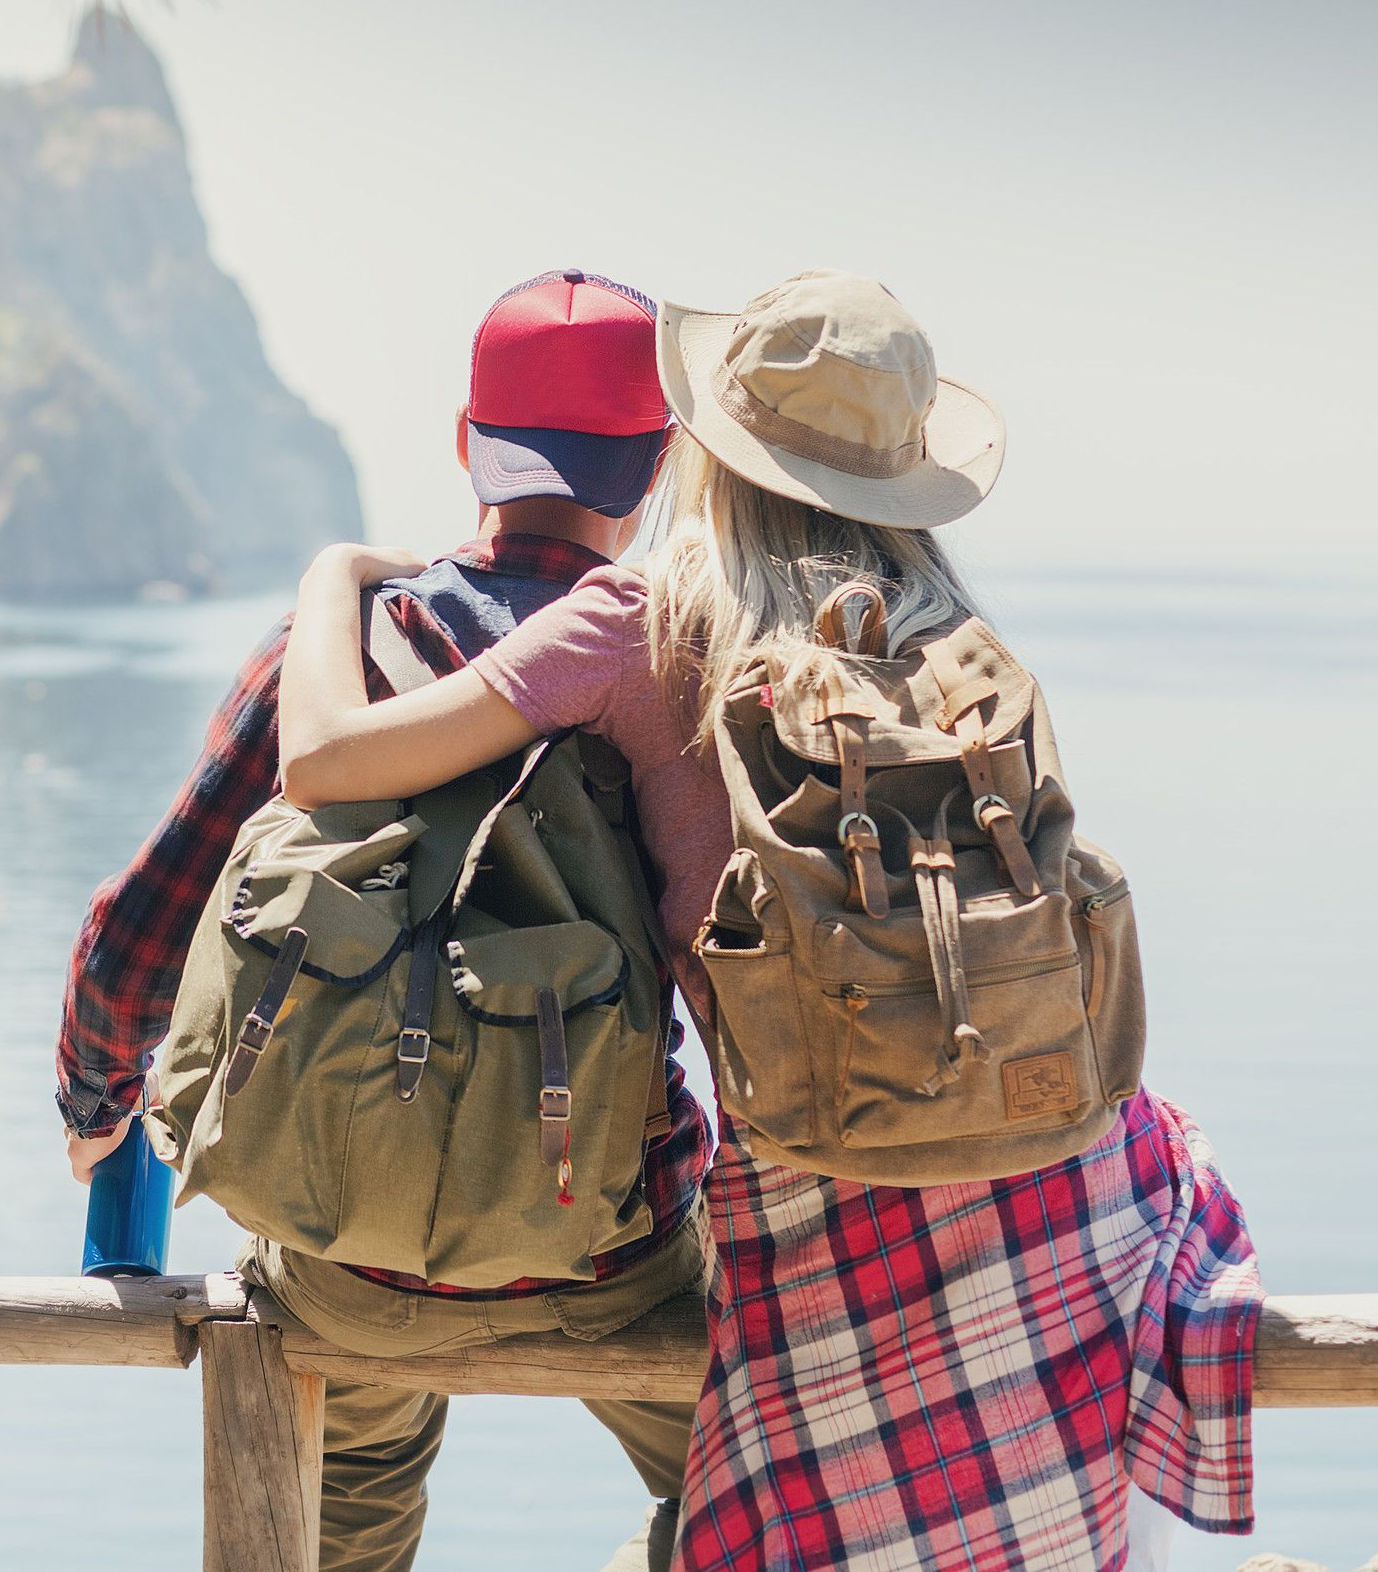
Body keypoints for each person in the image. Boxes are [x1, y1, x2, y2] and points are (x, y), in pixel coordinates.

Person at [275, 269, 1262, 1572]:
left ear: (715, 457)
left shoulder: (644, 624)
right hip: (1067, 1165)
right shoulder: (961, 646)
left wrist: (335, 572)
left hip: (825, 1184)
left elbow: (330, 760)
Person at [60, 270, 717, 1572]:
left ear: (469, 443)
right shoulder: (670, 663)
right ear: (657, 470)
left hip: (349, 1255)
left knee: (339, 1534)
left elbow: (138, 929)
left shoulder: (337, 655)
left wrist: (100, 1115)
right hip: (612, 1248)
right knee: (751, 1499)